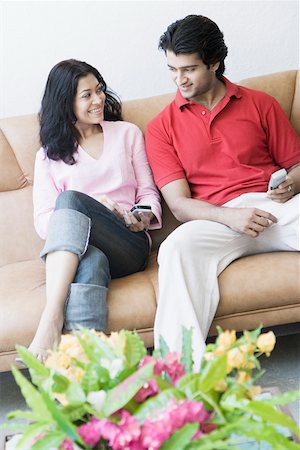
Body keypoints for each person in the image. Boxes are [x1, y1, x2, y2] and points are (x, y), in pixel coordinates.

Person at [145, 15, 300, 370]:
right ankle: (182, 378)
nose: (178, 79)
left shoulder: (260, 104)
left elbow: (296, 166)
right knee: (175, 249)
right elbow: (180, 206)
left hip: (275, 208)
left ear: (214, 63)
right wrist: (229, 216)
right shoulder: (160, 128)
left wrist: (291, 184)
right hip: (218, 219)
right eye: (172, 69)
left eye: (189, 69)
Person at [27, 59, 162, 362]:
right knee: (91, 259)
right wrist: (92, 208)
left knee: (71, 200)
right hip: (84, 251)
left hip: (128, 243)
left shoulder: (127, 133)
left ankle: (51, 318)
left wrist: (141, 216)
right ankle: (84, 366)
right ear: (66, 102)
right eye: (86, 95)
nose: (99, 99)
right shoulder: (48, 156)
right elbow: (43, 222)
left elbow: (148, 193)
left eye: (98, 90)